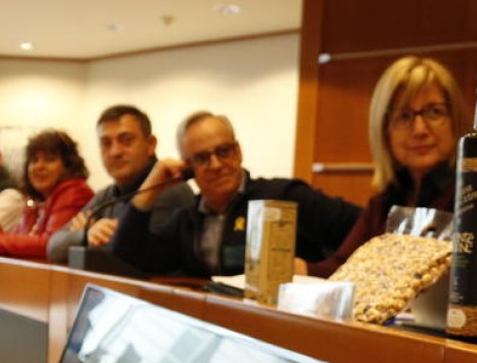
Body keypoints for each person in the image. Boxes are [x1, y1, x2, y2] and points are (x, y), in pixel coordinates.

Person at [111, 111, 361, 277]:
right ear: (188, 167)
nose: (216, 164)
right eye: (201, 158)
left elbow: (365, 230)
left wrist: (314, 270)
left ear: (238, 152)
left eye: (223, 151)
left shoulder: (284, 196)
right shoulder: (186, 222)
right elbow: (126, 259)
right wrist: (147, 191)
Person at [307, 56, 471, 277]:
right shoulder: (383, 202)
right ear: (384, 131)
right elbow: (344, 268)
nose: (420, 129)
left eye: (434, 112)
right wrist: (295, 269)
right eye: (404, 117)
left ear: (455, 120)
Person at [46, 105, 194, 261]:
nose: (115, 152)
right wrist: (86, 233)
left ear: (151, 144)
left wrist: (89, 237)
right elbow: (53, 247)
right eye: (106, 143)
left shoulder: (169, 189)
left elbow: (127, 254)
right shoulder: (107, 194)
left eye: (126, 141)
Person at [0, 130, 94, 259]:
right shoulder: (37, 199)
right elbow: (25, 241)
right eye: (34, 160)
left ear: (68, 166)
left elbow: (51, 246)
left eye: (49, 160)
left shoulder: (75, 192)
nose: (39, 166)